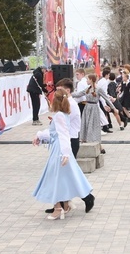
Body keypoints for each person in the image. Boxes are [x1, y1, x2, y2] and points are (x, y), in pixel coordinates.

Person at [32, 88, 94, 220]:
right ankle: (64, 205)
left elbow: (63, 134)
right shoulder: (62, 114)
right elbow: (54, 133)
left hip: (59, 150)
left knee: (54, 177)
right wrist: (39, 135)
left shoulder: (60, 115)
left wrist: (65, 153)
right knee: (61, 178)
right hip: (60, 148)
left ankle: (58, 208)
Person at [71, 73, 117, 153]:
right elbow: (78, 94)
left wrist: (114, 108)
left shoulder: (98, 89)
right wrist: (68, 94)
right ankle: (93, 146)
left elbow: (106, 98)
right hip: (87, 108)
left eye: (88, 79)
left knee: (93, 128)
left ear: (91, 80)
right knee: (86, 126)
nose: (87, 81)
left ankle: (98, 146)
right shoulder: (87, 89)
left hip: (94, 108)